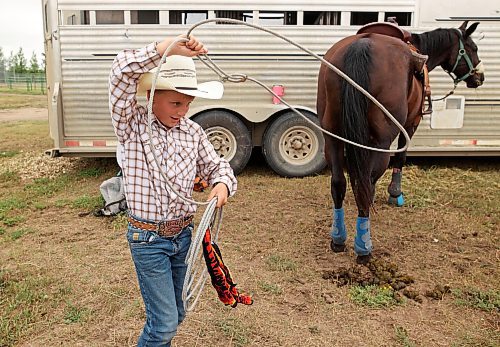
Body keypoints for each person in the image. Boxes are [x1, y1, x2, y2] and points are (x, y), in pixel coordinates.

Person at [109, 35, 237, 346]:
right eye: (175, 102)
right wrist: (164, 48)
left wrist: (222, 183)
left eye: (188, 103)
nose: (182, 110)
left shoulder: (192, 132)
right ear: (151, 96)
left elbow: (218, 166)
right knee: (164, 323)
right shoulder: (132, 126)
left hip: (182, 237)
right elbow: (121, 73)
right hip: (148, 238)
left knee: (175, 315)